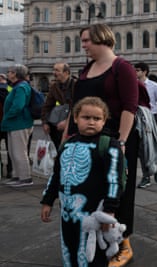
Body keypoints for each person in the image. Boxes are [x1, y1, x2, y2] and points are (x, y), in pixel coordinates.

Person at [64, 24, 139, 267]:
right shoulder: (85, 70)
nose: (83, 45)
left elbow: (130, 107)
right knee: (90, 190)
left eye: (86, 40)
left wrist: (123, 142)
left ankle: (123, 244)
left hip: (113, 141)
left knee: (118, 192)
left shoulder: (122, 67)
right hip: (83, 141)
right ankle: (94, 241)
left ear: (101, 39)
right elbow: (74, 110)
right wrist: (66, 139)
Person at [41, 96, 125, 267]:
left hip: (94, 214)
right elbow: (57, 175)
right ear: (76, 118)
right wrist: (48, 200)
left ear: (104, 121)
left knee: (93, 253)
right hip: (67, 212)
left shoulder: (109, 144)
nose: (91, 122)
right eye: (86, 117)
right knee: (68, 246)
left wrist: (109, 209)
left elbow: (114, 179)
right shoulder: (67, 144)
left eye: (97, 118)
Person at [134, 62, 157, 188]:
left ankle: (154, 167)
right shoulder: (133, 85)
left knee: (150, 146)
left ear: (144, 72)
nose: (135, 73)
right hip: (137, 117)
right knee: (142, 149)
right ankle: (147, 175)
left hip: (150, 118)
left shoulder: (154, 86)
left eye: (137, 70)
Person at [1, 64, 34, 187]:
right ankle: (16, 175)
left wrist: (7, 116)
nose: (8, 74)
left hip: (19, 123)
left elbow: (18, 106)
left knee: (19, 152)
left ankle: (25, 178)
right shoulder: (17, 86)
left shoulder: (21, 87)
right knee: (13, 151)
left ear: (15, 74)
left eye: (9, 72)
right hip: (14, 124)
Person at [41, 62, 76, 149]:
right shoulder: (54, 86)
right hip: (59, 126)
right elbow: (47, 106)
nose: (54, 73)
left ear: (66, 73)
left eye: (57, 70)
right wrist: (45, 122)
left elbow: (79, 106)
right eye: (53, 70)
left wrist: (68, 122)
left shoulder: (76, 85)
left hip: (73, 125)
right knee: (59, 149)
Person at [0, 73, 12, 178]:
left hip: (2, 121)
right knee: (10, 149)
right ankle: (10, 170)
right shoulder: (11, 89)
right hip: (9, 122)